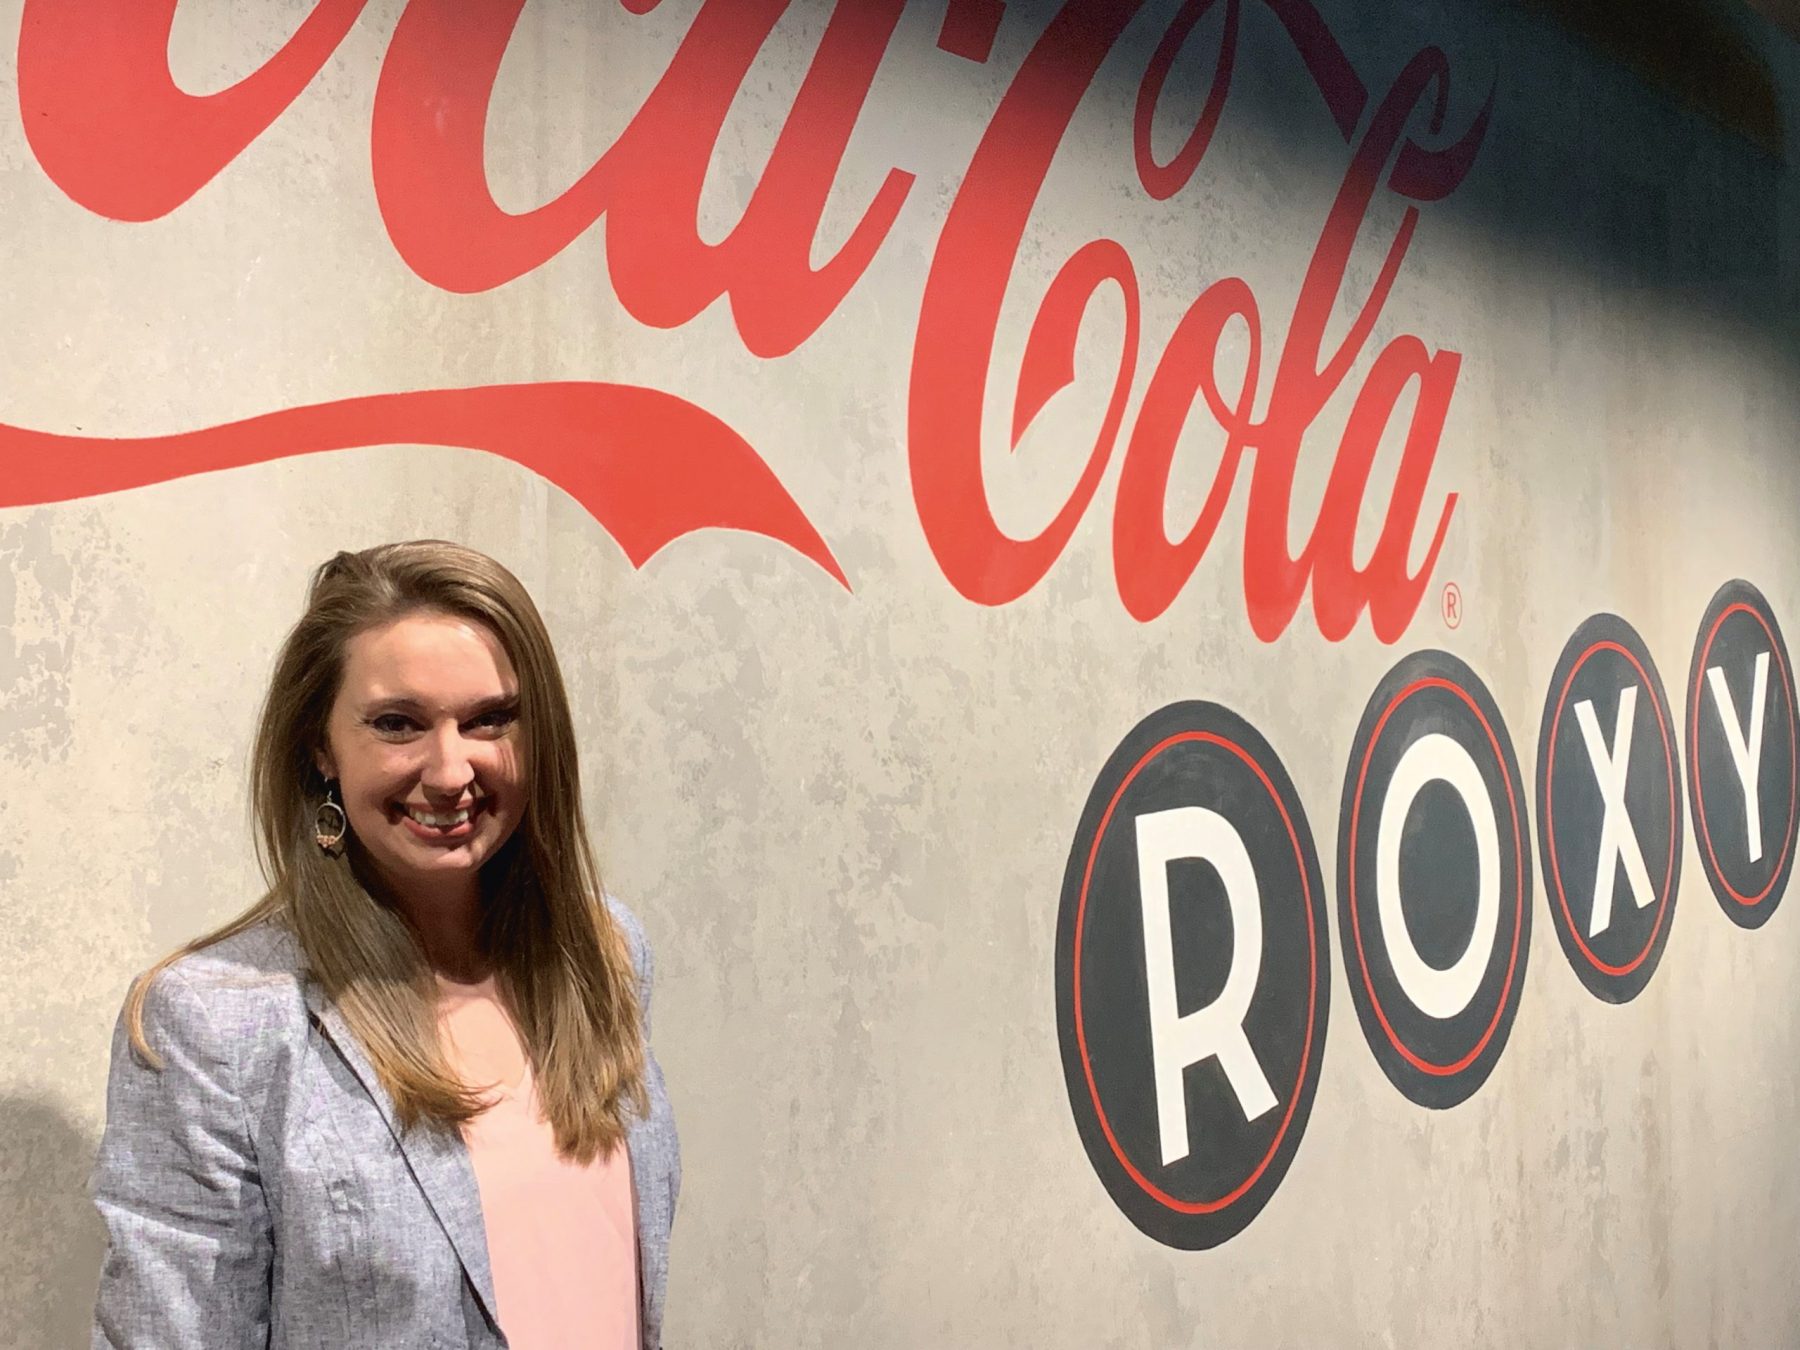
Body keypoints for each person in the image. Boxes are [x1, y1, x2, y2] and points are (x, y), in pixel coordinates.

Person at [89, 540, 679, 1349]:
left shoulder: (605, 954)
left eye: (489, 720)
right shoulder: (214, 1025)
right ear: (320, 746)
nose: (450, 769)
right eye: (397, 724)